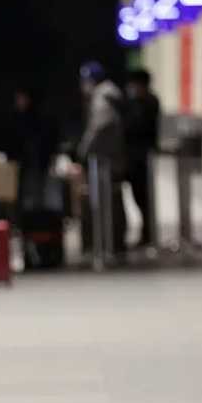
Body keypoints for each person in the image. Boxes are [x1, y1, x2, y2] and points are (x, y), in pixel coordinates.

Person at [75, 61, 128, 257]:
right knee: (113, 200)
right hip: (112, 159)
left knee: (107, 203)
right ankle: (113, 243)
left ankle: (108, 244)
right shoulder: (111, 96)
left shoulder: (102, 99)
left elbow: (99, 126)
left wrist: (84, 151)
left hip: (105, 162)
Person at [123, 68, 160, 248]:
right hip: (138, 155)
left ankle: (148, 235)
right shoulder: (144, 102)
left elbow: (134, 127)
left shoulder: (146, 103)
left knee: (142, 198)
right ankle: (146, 234)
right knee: (140, 198)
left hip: (140, 157)